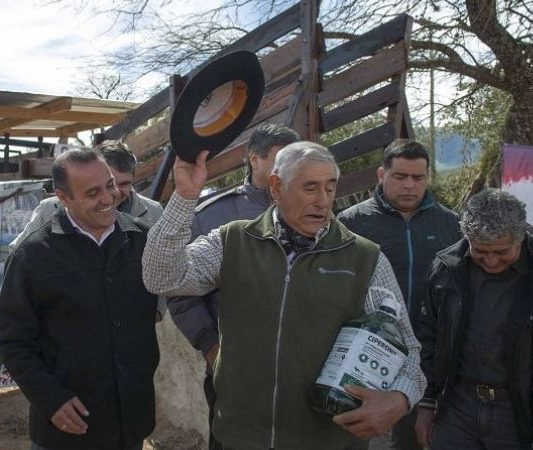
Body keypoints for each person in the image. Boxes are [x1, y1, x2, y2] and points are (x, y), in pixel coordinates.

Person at [143, 142, 425, 449]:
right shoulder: (233, 241)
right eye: (310, 188)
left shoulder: (365, 259)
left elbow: (407, 348)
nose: (322, 201)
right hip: (238, 438)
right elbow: (160, 277)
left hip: (328, 442)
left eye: (330, 188)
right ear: (277, 187)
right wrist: (184, 197)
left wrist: (400, 398)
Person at [0, 148, 159, 450]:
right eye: (93, 193)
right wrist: (50, 399)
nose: (108, 198)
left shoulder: (144, 240)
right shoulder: (33, 256)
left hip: (130, 423)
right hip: (66, 431)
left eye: (110, 185)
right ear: (63, 197)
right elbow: (13, 341)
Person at [166, 122, 300, 450]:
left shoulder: (312, 212)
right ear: (254, 159)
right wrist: (211, 347)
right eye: (282, 159)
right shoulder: (212, 216)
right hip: (234, 371)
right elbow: (180, 292)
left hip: (300, 372)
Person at [415, 189, 533, 450]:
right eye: (480, 251)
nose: (491, 261)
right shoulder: (446, 268)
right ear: (467, 238)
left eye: (502, 252)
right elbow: (429, 338)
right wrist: (426, 402)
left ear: (522, 237)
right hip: (457, 406)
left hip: (517, 412)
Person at [337, 138, 461, 450]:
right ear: (381, 175)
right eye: (400, 176)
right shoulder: (351, 222)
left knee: (412, 440)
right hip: (364, 355)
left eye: (418, 177)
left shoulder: (449, 224)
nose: (409, 185)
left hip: (428, 357)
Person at [9, 140, 163, 249]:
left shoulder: (153, 212)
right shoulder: (50, 209)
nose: (114, 193)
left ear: (133, 179)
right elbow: (18, 253)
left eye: (124, 184)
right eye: (109, 183)